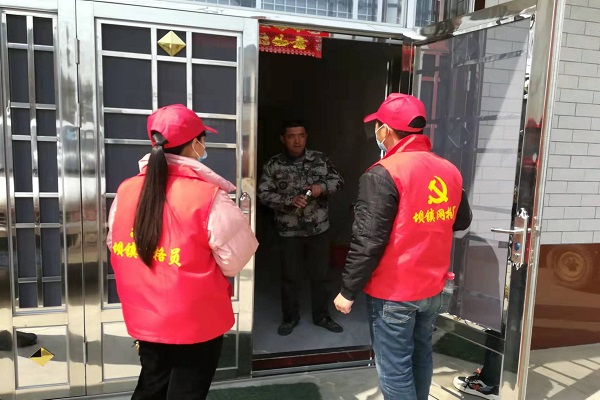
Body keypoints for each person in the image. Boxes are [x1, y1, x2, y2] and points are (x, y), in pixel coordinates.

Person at [106, 104, 258, 400]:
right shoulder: (209, 196)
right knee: (187, 390)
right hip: (196, 320)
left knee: (151, 383)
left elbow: (115, 244)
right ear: (195, 143)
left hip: (145, 314)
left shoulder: (126, 190)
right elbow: (234, 260)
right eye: (203, 139)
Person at [333, 93, 472, 400]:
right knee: (420, 357)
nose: (376, 132)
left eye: (377, 126)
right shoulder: (448, 169)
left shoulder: (383, 173)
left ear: (385, 130)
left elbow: (368, 240)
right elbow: (461, 220)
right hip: (432, 288)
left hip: (395, 292)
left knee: (395, 369)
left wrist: (348, 290)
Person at [258, 120, 344, 336]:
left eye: (301, 135)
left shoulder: (320, 159)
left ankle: (322, 316)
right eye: (291, 136)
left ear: (306, 137)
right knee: (290, 277)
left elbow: (339, 181)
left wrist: (321, 187)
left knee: (321, 276)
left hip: (318, 229)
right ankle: (290, 318)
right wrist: (288, 201)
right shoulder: (273, 165)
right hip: (289, 232)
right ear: (283, 139)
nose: (297, 141)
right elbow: (262, 194)